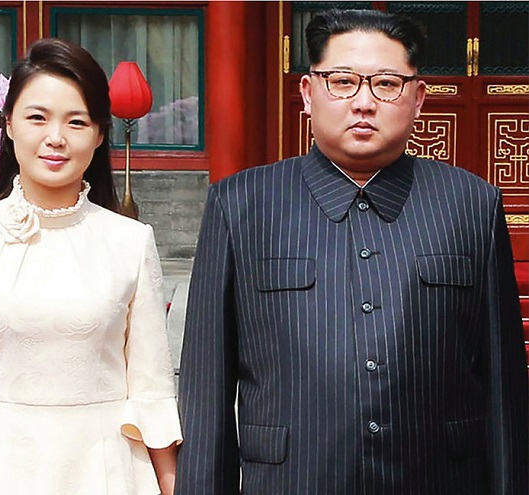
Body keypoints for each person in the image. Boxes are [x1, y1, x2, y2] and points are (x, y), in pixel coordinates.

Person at [175, 9, 528, 495]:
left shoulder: (470, 204)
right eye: (341, 81)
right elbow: (206, 387)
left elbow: (503, 384)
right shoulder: (241, 205)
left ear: (419, 98)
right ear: (307, 93)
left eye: (386, 84)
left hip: (439, 478)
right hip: (291, 481)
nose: (363, 102)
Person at [0, 38, 181, 495]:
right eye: (37, 117)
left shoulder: (131, 241)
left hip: (106, 473)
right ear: (9, 124)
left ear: (98, 134)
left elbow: (151, 395)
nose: (56, 137)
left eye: (76, 122)